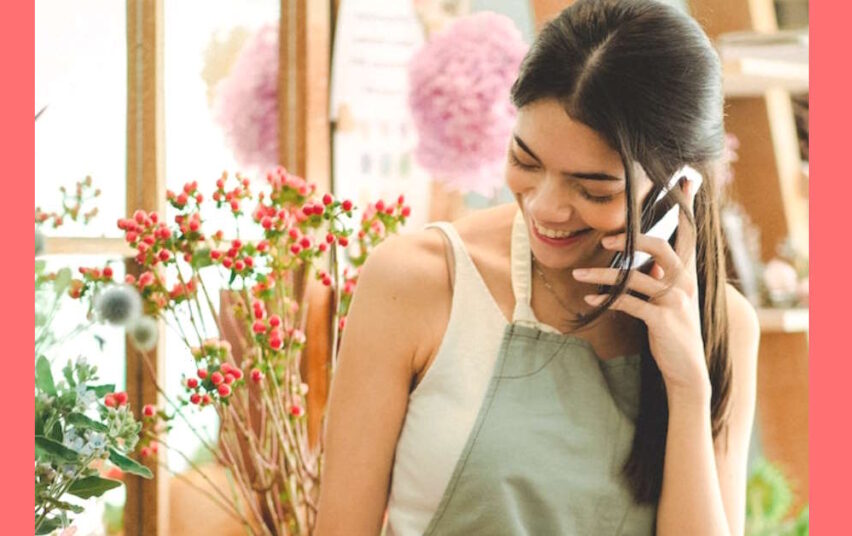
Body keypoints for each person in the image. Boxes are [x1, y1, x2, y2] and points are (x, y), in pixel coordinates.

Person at [314, 0, 760, 534]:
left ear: (677, 188)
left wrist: (688, 388)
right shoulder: (417, 280)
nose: (546, 207)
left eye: (593, 188)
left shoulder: (721, 327)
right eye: (525, 161)